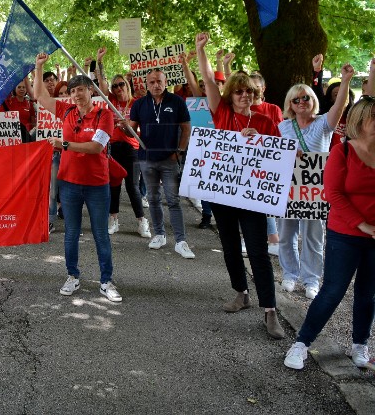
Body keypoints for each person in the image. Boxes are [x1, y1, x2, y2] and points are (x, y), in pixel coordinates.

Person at [196, 31, 284, 339]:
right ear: (231, 93)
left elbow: (278, 156)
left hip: (252, 197)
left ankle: (270, 311)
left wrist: (258, 139)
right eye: (240, 91)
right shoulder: (220, 112)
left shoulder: (266, 121)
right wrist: (200, 50)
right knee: (231, 247)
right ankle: (241, 293)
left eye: (250, 92)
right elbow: (208, 80)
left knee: (258, 252)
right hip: (222, 194)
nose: (245, 95)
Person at [284, 96, 375, 370]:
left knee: (368, 294)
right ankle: (301, 344)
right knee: (333, 291)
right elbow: (333, 193)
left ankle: (360, 345)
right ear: (360, 120)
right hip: (345, 234)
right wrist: (363, 225)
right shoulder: (343, 152)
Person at [33, 52, 122, 302]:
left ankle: (106, 281)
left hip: (96, 185)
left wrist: (65, 145)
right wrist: (39, 68)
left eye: (81, 90)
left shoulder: (105, 115)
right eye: (73, 91)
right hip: (69, 183)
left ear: (91, 91)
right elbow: (40, 96)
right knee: (71, 233)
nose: (77, 95)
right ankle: (72, 276)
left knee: (100, 234)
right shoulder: (66, 110)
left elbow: (96, 147)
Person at [278, 64, 353, 299]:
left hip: (315, 191)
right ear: (290, 104)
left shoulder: (324, 124)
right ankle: (290, 274)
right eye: (296, 99)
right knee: (286, 234)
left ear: (313, 101)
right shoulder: (283, 126)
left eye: (306, 98)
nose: (302, 102)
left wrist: (346, 79)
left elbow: (339, 107)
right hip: (289, 190)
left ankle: (311, 279)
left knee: (313, 236)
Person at [128, 69, 194, 258]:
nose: (156, 85)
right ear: (146, 84)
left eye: (159, 81)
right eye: (152, 82)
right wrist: (124, 126)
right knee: (153, 198)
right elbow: (131, 131)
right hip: (147, 159)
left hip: (169, 159)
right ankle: (159, 234)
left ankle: (181, 241)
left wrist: (180, 151)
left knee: (173, 200)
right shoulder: (139, 104)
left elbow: (186, 128)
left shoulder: (177, 101)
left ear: (166, 82)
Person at [107, 74, 151, 238]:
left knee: (133, 186)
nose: (118, 88)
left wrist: (129, 129)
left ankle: (141, 221)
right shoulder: (111, 102)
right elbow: (100, 86)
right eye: (115, 86)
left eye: (121, 85)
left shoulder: (137, 104)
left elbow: (143, 131)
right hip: (113, 148)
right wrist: (99, 63)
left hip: (132, 149)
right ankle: (113, 219)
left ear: (127, 85)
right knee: (114, 185)